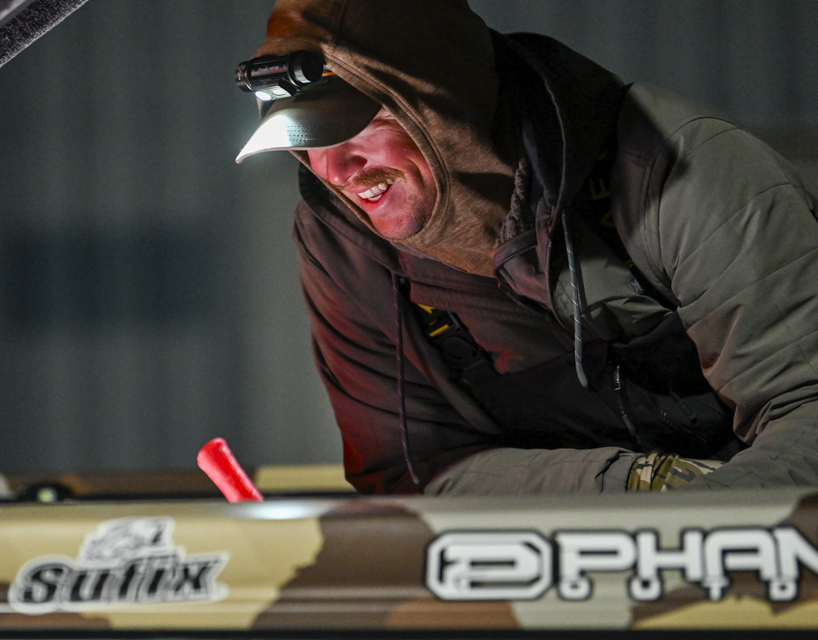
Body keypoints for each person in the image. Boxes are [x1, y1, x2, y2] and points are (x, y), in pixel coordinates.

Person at [235, 0, 818, 495]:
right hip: (557, 566)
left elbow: (807, 412)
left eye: (356, 125)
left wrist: (685, 537)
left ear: (441, 103)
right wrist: (640, 488)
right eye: (306, 138)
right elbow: (411, 472)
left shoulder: (675, 170)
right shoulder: (341, 244)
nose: (335, 169)